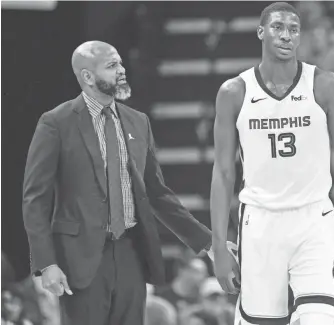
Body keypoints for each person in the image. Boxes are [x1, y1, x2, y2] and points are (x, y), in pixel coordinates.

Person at [22, 41, 212, 325]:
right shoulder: (55, 123)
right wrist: (47, 263)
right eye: (112, 65)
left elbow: (157, 194)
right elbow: (35, 199)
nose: (122, 70)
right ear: (87, 77)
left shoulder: (138, 122)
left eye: (121, 63)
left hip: (131, 253)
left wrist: (207, 241)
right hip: (80, 258)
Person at [210, 3, 334, 325]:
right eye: (278, 27)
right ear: (261, 32)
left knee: (319, 319)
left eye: (293, 29)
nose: (286, 36)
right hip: (259, 223)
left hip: (314, 219)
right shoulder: (234, 92)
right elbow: (224, 172)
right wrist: (218, 247)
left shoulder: (325, 85)